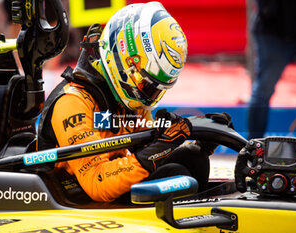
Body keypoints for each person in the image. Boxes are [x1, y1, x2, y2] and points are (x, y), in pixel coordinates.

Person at [38, 2, 233, 203]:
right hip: (77, 198)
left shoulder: (126, 98)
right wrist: (158, 148)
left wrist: (200, 141)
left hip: (107, 191)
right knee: (176, 174)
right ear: (124, 60)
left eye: (157, 89)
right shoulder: (72, 102)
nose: (149, 95)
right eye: (148, 86)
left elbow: (149, 149)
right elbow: (97, 182)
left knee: (194, 158)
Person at [247, 0, 296, 139]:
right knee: (264, 89)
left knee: (262, 91)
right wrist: (268, 10)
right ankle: (253, 147)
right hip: (272, 31)